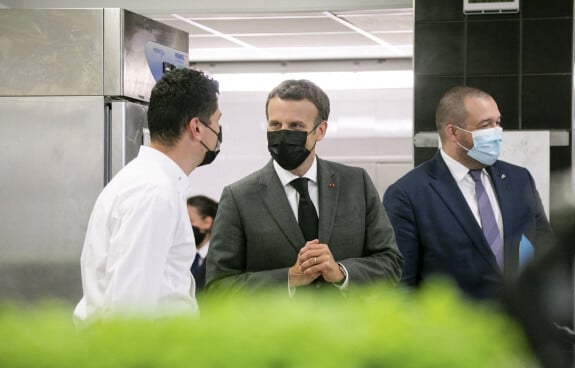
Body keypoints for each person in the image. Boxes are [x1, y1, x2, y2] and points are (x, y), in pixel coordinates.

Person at [205, 79, 403, 295]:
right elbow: (218, 287)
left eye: (296, 126)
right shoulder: (238, 197)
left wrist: (341, 272)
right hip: (274, 328)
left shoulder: (356, 184)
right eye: (275, 125)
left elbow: (390, 263)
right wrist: (289, 278)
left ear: (320, 130)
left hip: (348, 327)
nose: (282, 134)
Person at [73, 68, 221, 323]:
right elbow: (129, 310)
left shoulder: (149, 182)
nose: (219, 131)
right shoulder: (154, 192)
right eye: (217, 121)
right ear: (197, 127)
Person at [383, 85, 552, 300]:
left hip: (520, 326)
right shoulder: (408, 194)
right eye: (485, 125)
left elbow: (545, 247)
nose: (496, 132)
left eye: (497, 122)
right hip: (456, 329)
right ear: (453, 132)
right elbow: (402, 285)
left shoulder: (519, 180)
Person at [187, 195, 218, 293]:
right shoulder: (179, 254)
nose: (185, 225)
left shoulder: (219, 258)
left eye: (190, 220)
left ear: (207, 222)